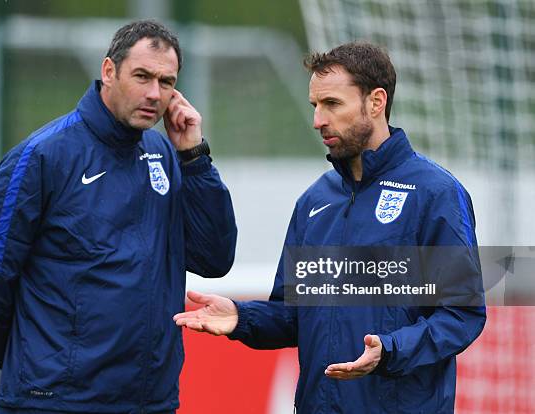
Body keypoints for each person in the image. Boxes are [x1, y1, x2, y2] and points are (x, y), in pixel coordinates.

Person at [174, 42, 486, 413]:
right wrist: (242, 318)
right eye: (315, 106)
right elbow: (292, 315)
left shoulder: (435, 194)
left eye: (332, 104)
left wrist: (389, 350)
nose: (318, 120)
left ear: (376, 102)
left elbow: (461, 315)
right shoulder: (314, 201)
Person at [0, 20, 237, 413]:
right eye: (142, 76)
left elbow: (214, 256)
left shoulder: (164, 154)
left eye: (167, 82)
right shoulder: (43, 156)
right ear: (109, 71)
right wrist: (38, 361)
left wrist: (194, 158)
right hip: (54, 403)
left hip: (150, 402)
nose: (154, 94)